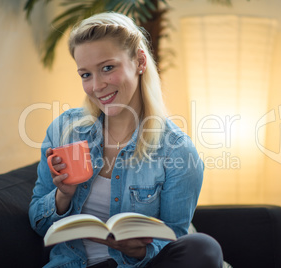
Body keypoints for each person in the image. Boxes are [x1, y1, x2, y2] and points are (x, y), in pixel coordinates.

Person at [29, 12, 223, 268]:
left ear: (140, 61)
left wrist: (140, 252)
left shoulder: (177, 150)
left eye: (107, 68)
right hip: (74, 265)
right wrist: (62, 197)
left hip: (139, 266)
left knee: (203, 247)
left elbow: (175, 235)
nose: (97, 86)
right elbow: (39, 224)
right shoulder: (66, 130)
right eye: (85, 74)